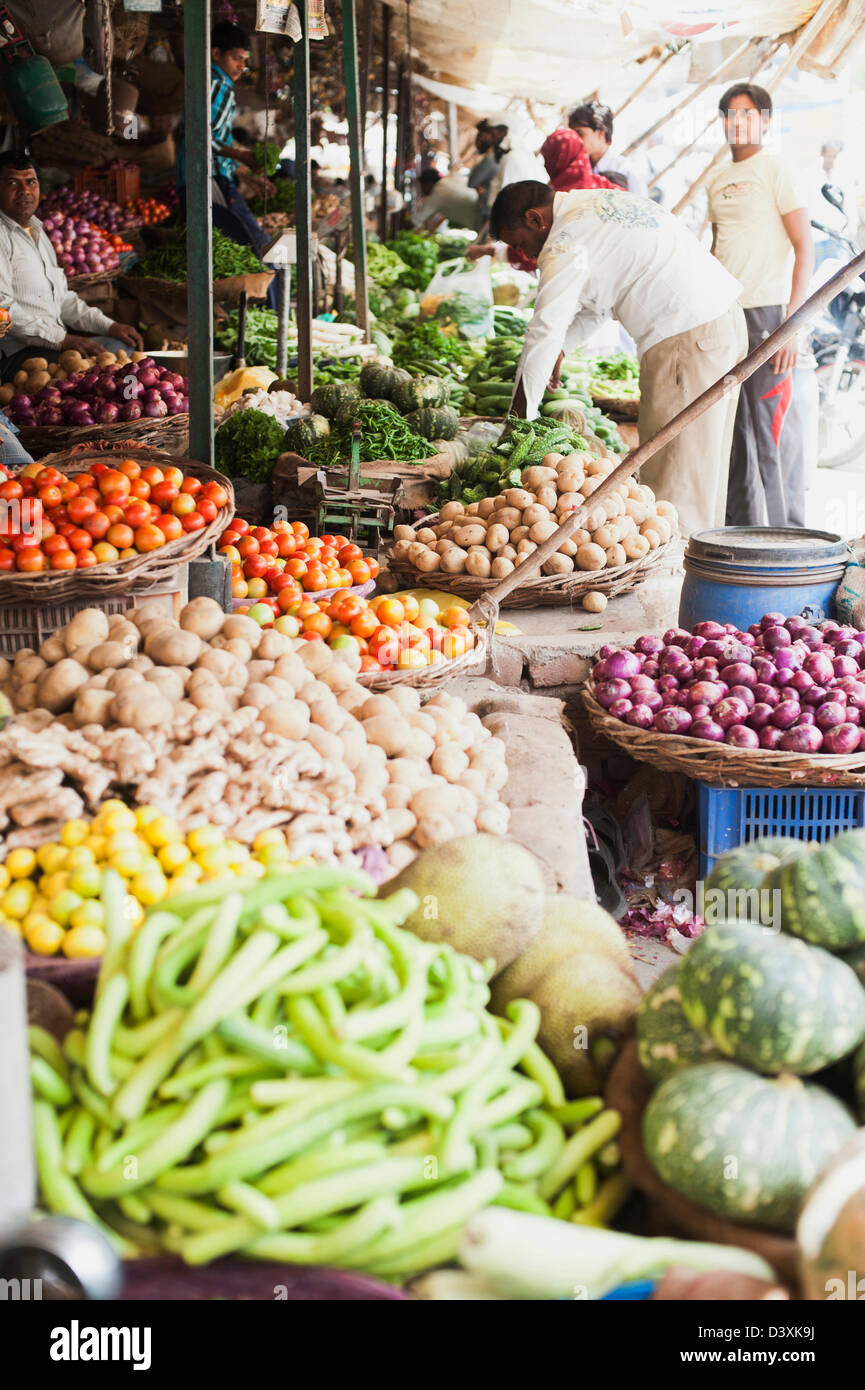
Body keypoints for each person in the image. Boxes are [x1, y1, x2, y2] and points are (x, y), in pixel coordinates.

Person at [487, 181, 747, 535]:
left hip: (685, 340)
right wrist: (562, 347)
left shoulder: (563, 241)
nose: (528, 255)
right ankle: (697, 562)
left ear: (535, 220)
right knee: (703, 466)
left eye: (521, 244)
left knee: (673, 480)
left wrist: (518, 420)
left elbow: (543, 330)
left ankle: (672, 575)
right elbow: (601, 304)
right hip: (721, 324)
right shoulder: (590, 205)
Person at [707, 83, 814, 529]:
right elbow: (716, 249)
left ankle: (787, 536)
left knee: (773, 435)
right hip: (724, 316)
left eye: (747, 113)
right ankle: (745, 533)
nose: (737, 122)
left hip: (769, 315)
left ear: (765, 120)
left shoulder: (776, 169)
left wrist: (792, 325)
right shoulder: (715, 178)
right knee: (732, 433)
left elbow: (805, 247)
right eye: (730, 114)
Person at [0, 151, 143, 383]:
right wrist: (64, 340)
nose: (25, 191)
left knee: (122, 350)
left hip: (53, 347)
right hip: (17, 356)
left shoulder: (37, 232)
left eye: (31, 182)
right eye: (12, 183)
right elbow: (3, 311)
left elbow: (63, 299)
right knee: (103, 374)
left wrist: (110, 325)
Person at [175, 21, 276, 306]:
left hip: (207, 179)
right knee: (260, 248)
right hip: (205, 181)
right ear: (216, 53)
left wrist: (244, 174)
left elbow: (215, 139)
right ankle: (268, 316)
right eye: (236, 58)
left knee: (235, 250)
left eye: (245, 60)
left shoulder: (209, 81)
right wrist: (242, 156)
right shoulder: (218, 83)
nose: (241, 66)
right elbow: (199, 136)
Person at [568, 101, 649, 197]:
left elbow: (641, 210)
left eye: (580, 134)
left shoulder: (628, 172)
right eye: (572, 134)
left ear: (601, 133)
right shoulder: (575, 170)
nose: (575, 139)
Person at [411, 169, 480, 232]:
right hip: (483, 210)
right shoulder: (450, 180)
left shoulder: (437, 193)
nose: (422, 190)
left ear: (428, 183)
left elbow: (415, 221)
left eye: (422, 186)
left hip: (479, 219)